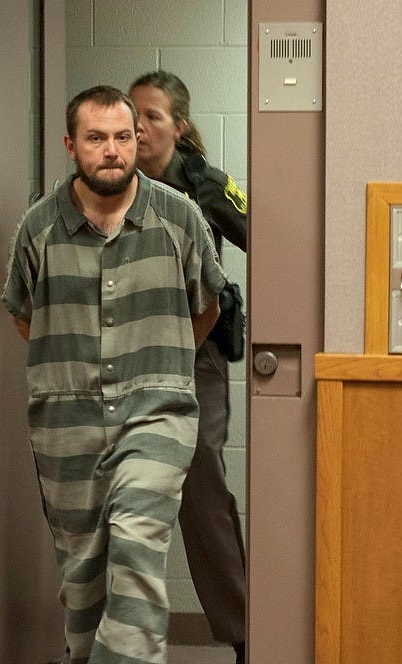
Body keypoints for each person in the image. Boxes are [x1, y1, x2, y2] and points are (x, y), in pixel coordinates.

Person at [2, 85, 227, 664]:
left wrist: (164, 359)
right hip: (65, 422)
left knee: (136, 547)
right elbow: (26, 315)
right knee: (83, 581)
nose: (112, 151)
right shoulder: (39, 229)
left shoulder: (179, 218)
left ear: (138, 141)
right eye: (96, 139)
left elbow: (207, 306)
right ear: (71, 145)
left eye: (122, 137)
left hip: (157, 412)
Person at [129, 71, 248, 664]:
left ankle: (244, 633)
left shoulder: (207, 185)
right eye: (134, 114)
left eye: (152, 116)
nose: (140, 126)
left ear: (178, 125)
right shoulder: (106, 180)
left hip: (195, 353)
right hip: (125, 354)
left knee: (202, 486)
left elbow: (273, 237)